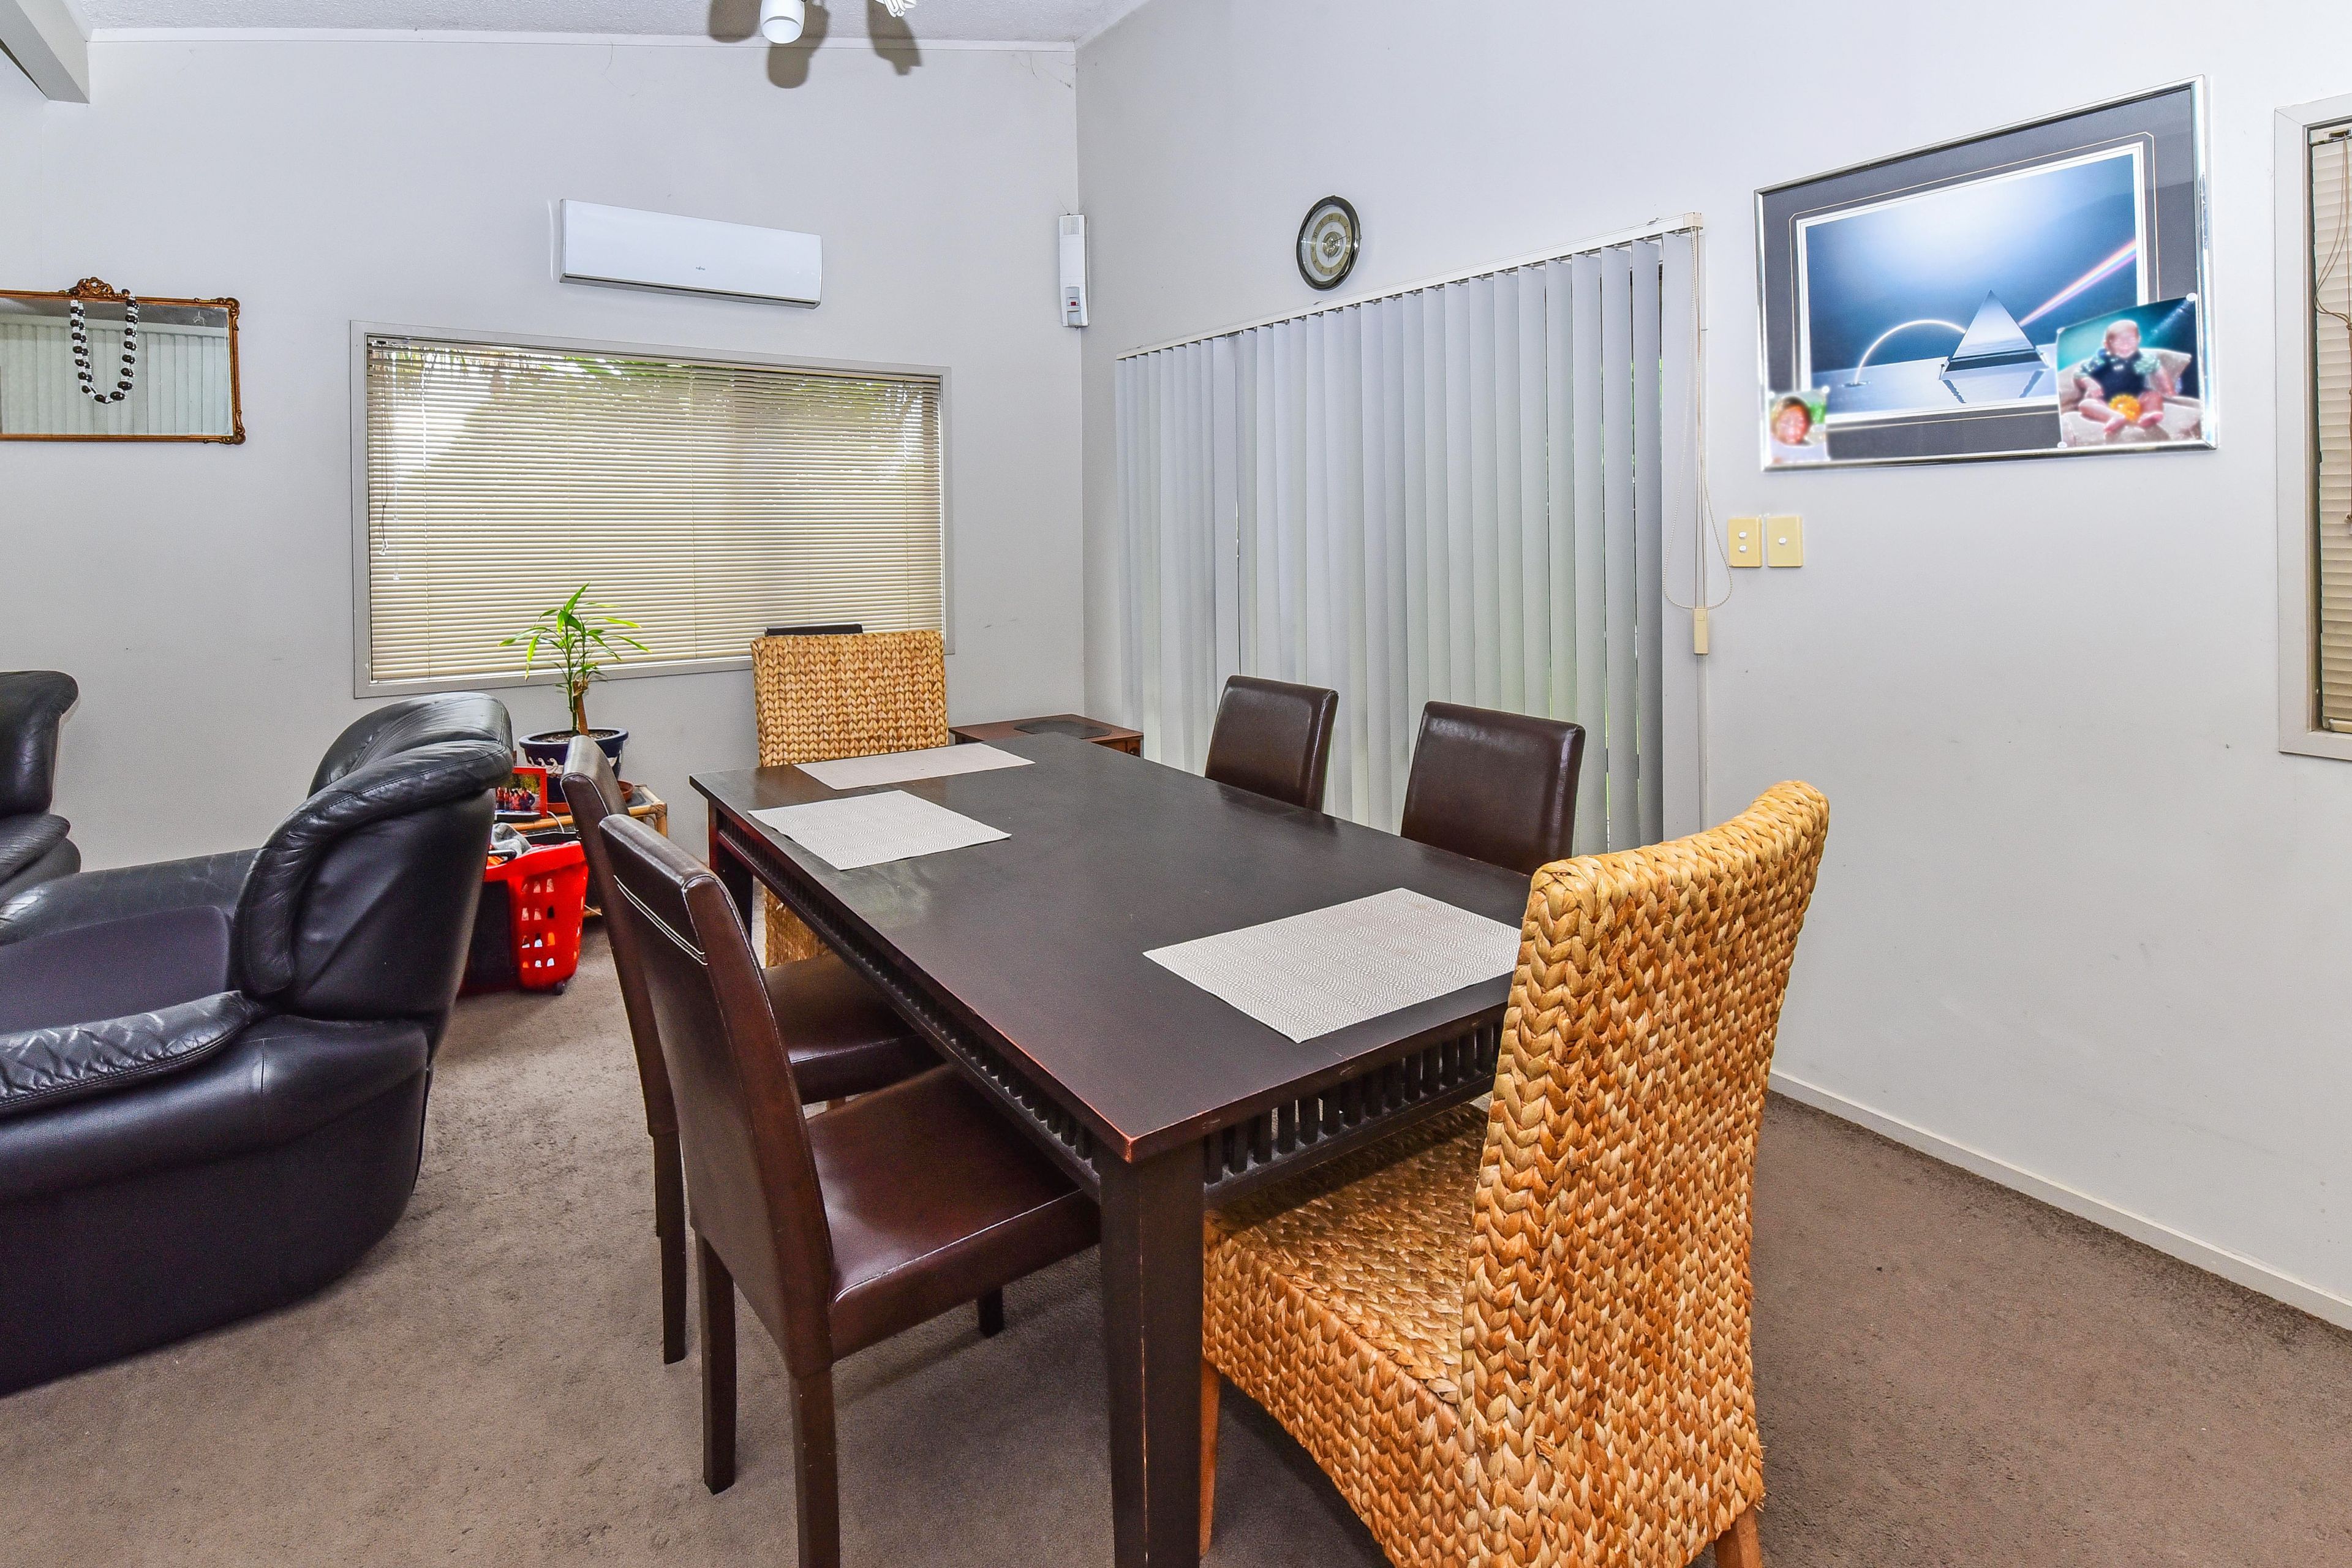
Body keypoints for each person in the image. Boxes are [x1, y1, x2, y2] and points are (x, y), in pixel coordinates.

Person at [2071, 318, 2169, 438]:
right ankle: (2114, 416)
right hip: (2105, 401)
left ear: (2138, 340)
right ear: (2107, 345)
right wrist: (2089, 382)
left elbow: (2158, 368)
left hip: (2136, 399)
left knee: (2153, 395)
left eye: (2131, 340)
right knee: (2085, 404)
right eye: (2118, 342)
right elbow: (2079, 373)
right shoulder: (2101, 359)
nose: (2126, 345)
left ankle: (2149, 414)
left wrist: (2167, 388)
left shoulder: (2142, 359)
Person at [1768, 393, 1826, 463]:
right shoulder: (1767, 450)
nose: (1792, 426)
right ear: (1775, 423)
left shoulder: (1816, 454)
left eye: (1799, 421)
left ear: (1808, 425)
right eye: (1786, 421)